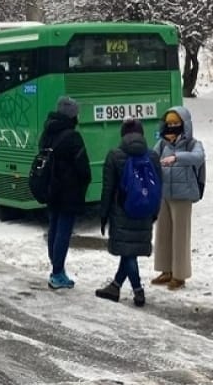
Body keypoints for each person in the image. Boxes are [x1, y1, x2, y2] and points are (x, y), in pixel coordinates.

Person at [95, 117, 162, 307]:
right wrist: (154, 211)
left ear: (123, 134)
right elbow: (158, 185)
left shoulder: (115, 156)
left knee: (129, 253)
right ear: (141, 134)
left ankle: (138, 291)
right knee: (129, 252)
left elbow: (108, 188)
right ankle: (115, 286)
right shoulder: (152, 156)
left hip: (123, 211)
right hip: (145, 209)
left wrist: (103, 214)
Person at [151, 106, 205, 290]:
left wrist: (176, 157)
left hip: (183, 195)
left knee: (180, 235)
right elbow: (152, 157)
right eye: (169, 123)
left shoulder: (193, 144)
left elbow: (198, 158)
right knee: (163, 233)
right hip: (164, 194)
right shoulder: (162, 144)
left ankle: (180, 275)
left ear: (184, 124)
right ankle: (166, 271)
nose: (172, 126)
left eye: (176, 123)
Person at [40, 96, 92, 289]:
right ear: (71, 115)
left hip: (51, 188)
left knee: (53, 226)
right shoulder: (73, 137)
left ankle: (56, 266)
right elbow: (83, 168)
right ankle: (57, 272)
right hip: (69, 190)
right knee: (63, 231)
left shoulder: (47, 132)